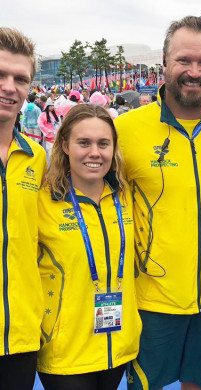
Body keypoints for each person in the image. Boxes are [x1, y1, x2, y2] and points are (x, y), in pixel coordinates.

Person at [115, 15, 201, 390]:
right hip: (151, 298)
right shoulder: (127, 130)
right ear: (165, 64)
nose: (194, 71)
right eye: (184, 60)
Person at [36, 104, 142, 390]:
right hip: (65, 352)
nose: (95, 152)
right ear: (65, 145)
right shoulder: (42, 201)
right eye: (84, 142)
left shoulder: (125, 195)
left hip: (117, 345)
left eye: (103, 143)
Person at [0, 27, 47, 390]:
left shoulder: (38, 158)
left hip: (21, 334)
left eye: (20, 79)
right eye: (1, 75)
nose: (10, 87)